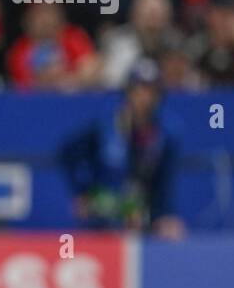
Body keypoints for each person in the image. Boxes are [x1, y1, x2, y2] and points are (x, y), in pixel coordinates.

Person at [59, 59, 184, 239]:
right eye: (139, 91)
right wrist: (82, 192)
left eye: (151, 92)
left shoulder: (163, 136)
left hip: (141, 217)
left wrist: (165, 216)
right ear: (128, 94)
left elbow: (164, 184)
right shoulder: (105, 128)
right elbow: (67, 153)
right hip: (102, 217)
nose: (144, 98)